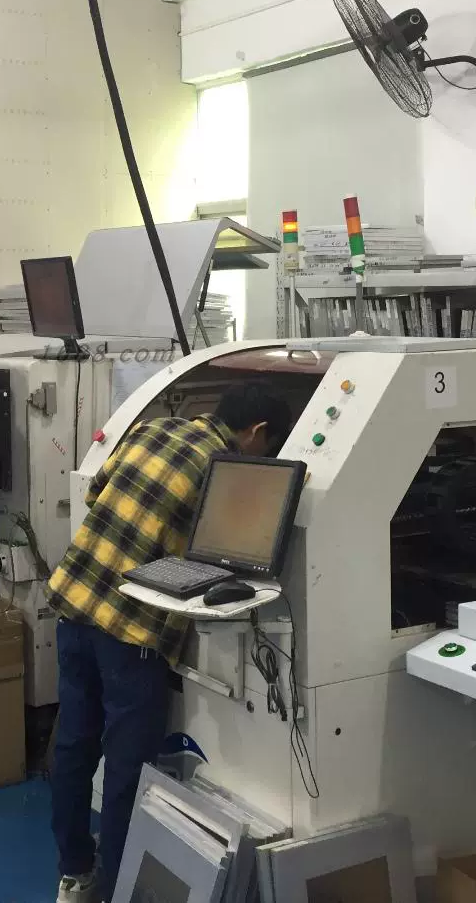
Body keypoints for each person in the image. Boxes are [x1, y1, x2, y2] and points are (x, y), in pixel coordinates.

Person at [46, 383, 293, 903]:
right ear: (257, 432)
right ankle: (116, 889)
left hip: (75, 602)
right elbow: (230, 552)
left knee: (72, 745)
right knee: (127, 768)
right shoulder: (226, 470)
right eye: (269, 446)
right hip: (132, 630)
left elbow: (95, 493)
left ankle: (74, 873)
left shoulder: (152, 427)